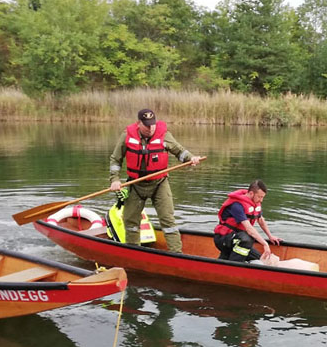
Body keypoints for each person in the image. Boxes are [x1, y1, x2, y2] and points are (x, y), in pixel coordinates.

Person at [109, 108, 202, 253]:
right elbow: (116, 159)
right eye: (146, 125)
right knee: (131, 222)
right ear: (139, 123)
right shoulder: (127, 135)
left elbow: (179, 151)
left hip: (159, 183)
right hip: (135, 184)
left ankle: (176, 254)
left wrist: (191, 158)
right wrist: (115, 180)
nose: (150, 128)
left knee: (168, 220)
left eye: (152, 124)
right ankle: (133, 252)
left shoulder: (164, 134)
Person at [213, 180, 282, 262]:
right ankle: (233, 266)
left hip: (237, 238)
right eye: (260, 197)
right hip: (224, 239)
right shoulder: (237, 205)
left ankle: (224, 260)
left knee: (260, 258)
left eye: (263, 197)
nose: (261, 200)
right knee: (247, 239)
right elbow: (249, 229)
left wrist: (270, 236)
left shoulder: (254, 203)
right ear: (251, 193)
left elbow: (261, 220)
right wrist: (264, 244)